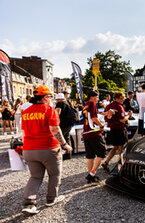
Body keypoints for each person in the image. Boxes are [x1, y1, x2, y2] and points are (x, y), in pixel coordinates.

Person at [21, 85, 72, 215]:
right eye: (49, 96)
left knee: (35, 176)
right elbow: (54, 129)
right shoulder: (49, 110)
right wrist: (65, 144)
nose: (50, 98)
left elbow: (23, 132)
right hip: (48, 148)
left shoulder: (26, 112)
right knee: (54, 174)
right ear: (44, 98)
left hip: (29, 149)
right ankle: (51, 199)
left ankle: (29, 204)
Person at [102, 92, 132, 172]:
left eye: (123, 98)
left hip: (112, 129)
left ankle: (106, 162)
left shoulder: (108, 106)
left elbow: (105, 118)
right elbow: (122, 119)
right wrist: (129, 115)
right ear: (116, 98)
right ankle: (120, 164)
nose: (123, 100)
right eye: (121, 98)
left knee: (115, 148)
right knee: (122, 148)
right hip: (120, 129)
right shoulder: (119, 106)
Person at [82, 90, 106, 183]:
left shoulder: (85, 105)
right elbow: (94, 118)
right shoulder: (92, 103)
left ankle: (90, 175)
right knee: (101, 153)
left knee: (90, 156)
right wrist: (101, 125)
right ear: (92, 97)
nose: (98, 99)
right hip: (93, 132)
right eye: (97, 97)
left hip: (86, 132)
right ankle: (91, 174)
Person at [55, 93, 74, 160]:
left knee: (59, 138)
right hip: (69, 124)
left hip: (63, 124)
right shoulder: (68, 102)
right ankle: (68, 154)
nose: (56, 101)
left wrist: (54, 121)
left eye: (56, 99)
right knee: (67, 138)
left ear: (59, 99)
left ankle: (59, 154)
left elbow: (57, 112)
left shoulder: (60, 103)